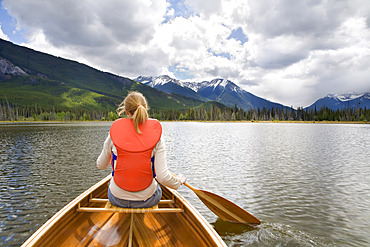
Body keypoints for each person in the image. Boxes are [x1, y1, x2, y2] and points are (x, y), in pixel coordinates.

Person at [96, 91, 186, 208]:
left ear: (126, 112)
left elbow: (101, 165)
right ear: (145, 109)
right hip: (148, 199)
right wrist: (178, 181)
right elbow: (162, 177)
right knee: (157, 187)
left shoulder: (113, 135)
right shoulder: (157, 137)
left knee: (112, 185)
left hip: (117, 198)